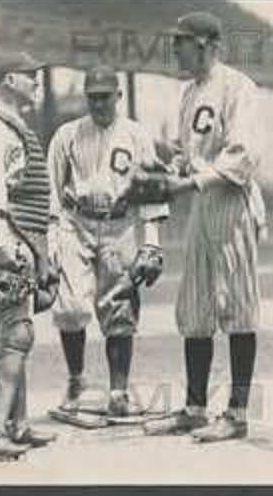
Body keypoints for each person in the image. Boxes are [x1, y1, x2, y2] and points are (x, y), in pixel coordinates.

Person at [142, 11, 265, 443]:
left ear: (205, 44)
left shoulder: (238, 86)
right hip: (202, 202)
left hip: (232, 200)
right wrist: (170, 168)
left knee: (238, 306)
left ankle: (237, 413)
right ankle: (195, 409)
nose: (174, 48)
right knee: (195, 307)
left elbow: (244, 156)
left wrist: (189, 181)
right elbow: (188, 152)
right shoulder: (190, 92)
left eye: (180, 41)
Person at [47, 65, 169, 421]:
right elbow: (52, 190)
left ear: (119, 95)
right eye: (93, 97)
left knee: (120, 307)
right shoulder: (68, 134)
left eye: (105, 96)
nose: (99, 103)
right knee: (70, 307)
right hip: (76, 221)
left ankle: (118, 394)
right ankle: (76, 383)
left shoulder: (136, 135)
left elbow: (153, 192)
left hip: (120, 224)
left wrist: (152, 244)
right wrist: (52, 236)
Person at [0, 51, 58, 460]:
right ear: (7, 80)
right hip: (1, 238)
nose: (36, 80)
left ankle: (14, 425)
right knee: (15, 333)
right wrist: (1, 245)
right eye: (28, 74)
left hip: (20, 236)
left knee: (13, 334)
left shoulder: (12, 124)